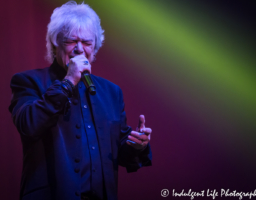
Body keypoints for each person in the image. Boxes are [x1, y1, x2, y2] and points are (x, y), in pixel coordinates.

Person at [9, 1, 152, 200]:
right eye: (70, 41)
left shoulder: (111, 92)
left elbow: (118, 151)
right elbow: (29, 124)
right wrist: (69, 81)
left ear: (95, 47)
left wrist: (137, 144)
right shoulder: (28, 81)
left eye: (86, 42)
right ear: (55, 43)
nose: (79, 49)